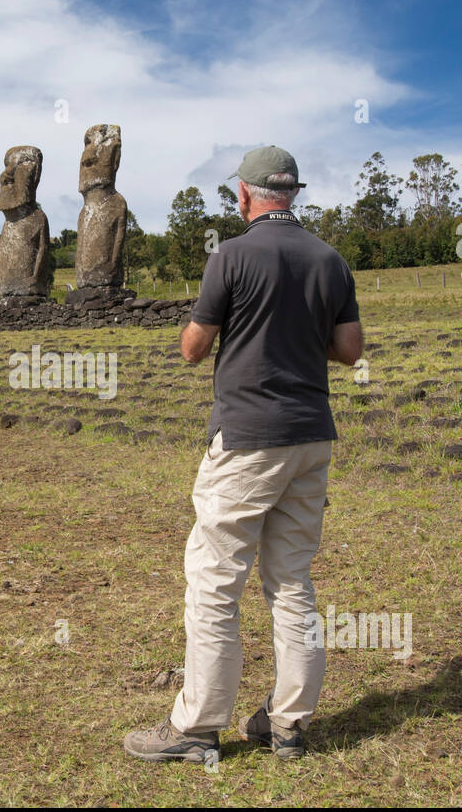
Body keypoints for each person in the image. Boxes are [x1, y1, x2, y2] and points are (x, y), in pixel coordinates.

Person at [124, 146, 363, 763]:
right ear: (293, 193)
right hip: (311, 435)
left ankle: (197, 727)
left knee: (214, 582)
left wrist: (208, 318)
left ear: (244, 196)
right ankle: (288, 724)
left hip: (248, 439)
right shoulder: (330, 259)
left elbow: (193, 349)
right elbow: (350, 349)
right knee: (292, 580)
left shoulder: (229, 255)